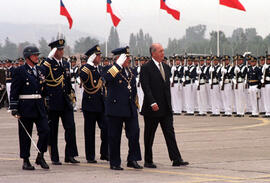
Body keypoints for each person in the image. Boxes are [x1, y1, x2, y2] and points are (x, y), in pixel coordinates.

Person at [140, 43, 189, 168]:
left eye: (163, 51)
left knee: (170, 133)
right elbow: (146, 87)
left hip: (166, 108)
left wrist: (170, 106)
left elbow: (166, 89)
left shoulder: (166, 68)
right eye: (161, 51)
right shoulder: (146, 67)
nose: (163, 53)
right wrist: (152, 102)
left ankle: (176, 158)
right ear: (153, 53)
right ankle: (148, 160)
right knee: (149, 135)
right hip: (153, 108)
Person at [9, 46, 50, 170]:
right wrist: (14, 107)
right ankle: (25, 160)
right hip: (26, 106)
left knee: (46, 130)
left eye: (37, 55)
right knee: (25, 135)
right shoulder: (20, 71)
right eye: (35, 55)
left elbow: (44, 88)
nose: (37, 57)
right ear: (28, 57)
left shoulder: (40, 70)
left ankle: (40, 155)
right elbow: (14, 90)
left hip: (39, 105)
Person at [102, 46, 142, 170]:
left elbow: (133, 88)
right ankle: (114, 162)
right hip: (115, 107)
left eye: (129, 57)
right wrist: (118, 65)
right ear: (119, 58)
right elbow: (107, 79)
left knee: (134, 133)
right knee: (114, 136)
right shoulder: (109, 69)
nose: (128, 60)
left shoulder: (129, 71)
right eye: (126, 58)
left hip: (129, 107)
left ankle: (132, 158)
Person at [42, 39, 79, 165]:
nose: (62, 51)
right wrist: (47, 60)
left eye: (62, 49)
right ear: (54, 51)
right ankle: (55, 156)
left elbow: (67, 81)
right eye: (59, 49)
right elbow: (42, 75)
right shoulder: (48, 63)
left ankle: (70, 154)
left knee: (70, 127)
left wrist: (71, 95)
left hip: (65, 100)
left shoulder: (65, 63)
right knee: (53, 130)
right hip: (53, 101)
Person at [80, 45, 109, 163]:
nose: (100, 57)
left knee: (106, 128)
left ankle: (105, 153)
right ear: (92, 57)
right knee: (90, 132)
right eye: (97, 55)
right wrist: (88, 63)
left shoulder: (99, 69)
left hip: (101, 104)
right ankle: (90, 156)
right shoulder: (86, 69)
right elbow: (83, 77)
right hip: (90, 104)